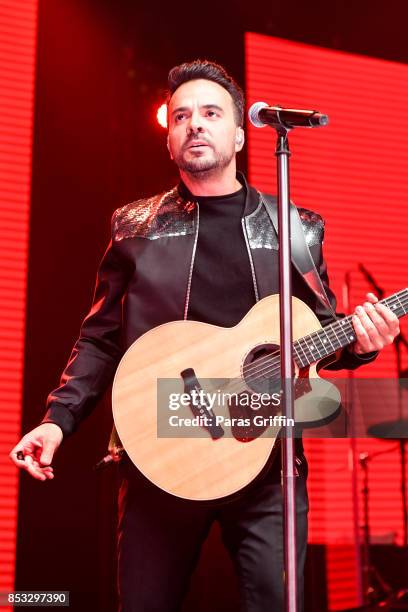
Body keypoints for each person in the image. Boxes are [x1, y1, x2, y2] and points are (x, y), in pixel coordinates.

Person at [10, 60, 400, 611]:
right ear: (169, 137)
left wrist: (362, 342)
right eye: (182, 116)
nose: (195, 124)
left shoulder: (294, 226)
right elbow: (99, 339)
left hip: (266, 464)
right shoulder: (135, 226)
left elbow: (320, 335)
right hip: (160, 456)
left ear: (241, 134)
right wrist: (57, 420)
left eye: (211, 113)